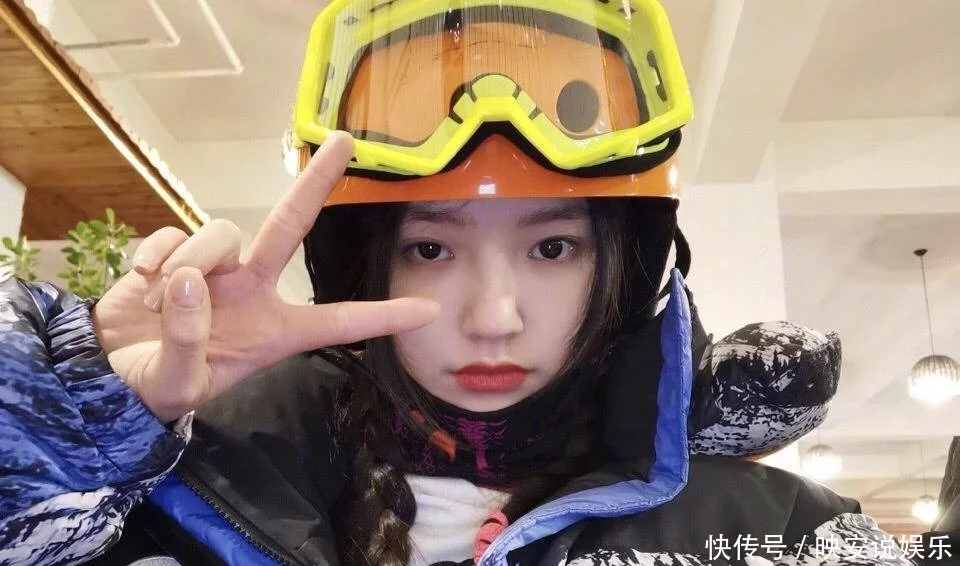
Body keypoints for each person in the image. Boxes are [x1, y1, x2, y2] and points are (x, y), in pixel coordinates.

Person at [0, 1, 918, 565]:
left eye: (553, 248)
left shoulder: (781, 535)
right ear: (360, 266)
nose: (492, 318)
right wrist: (71, 418)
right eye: (430, 250)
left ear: (624, 265)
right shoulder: (180, 497)